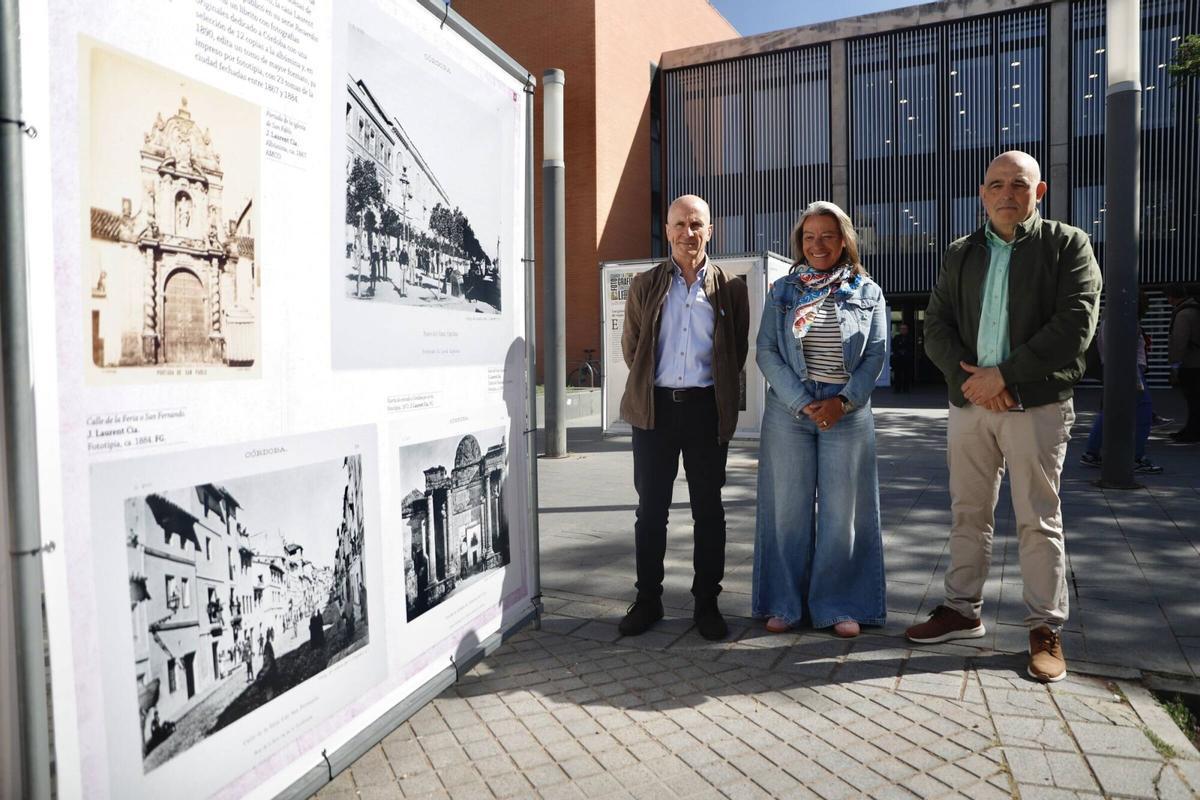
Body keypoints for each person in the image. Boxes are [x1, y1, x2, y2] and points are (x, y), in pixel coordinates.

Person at [906, 151, 1101, 683]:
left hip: (1034, 404)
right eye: (996, 185)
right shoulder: (961, 252)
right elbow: (937, 325)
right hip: (971, 404)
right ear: (983, 194)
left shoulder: (1068, 245)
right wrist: (974, 382)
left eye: (1019, 184)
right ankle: (961, 610)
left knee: (1038, 517)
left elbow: (1074, 325)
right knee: (968, 510)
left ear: (1039, 193)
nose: (1007, 194)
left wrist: (1006, 376)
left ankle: (1044, 628)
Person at [617, 194, 750, 640]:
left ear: (710, 231)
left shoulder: (731, 287)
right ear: (667, 229)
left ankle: (706, 604)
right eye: (679, 224)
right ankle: (648, 600)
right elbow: (632, 348)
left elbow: (735, 352)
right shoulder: (645, 284)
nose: (687, 233)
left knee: (708, 512)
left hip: (705, 412)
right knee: (650, 511)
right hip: (654, 411)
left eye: (696, 225)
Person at [753, 201, 888, 638]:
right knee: (787, 511)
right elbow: (767, 351)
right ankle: (785, 603)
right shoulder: (784, 291)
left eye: (827, 235)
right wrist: (799, 400)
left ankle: (840, 605)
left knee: (842, 513)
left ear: (844, 240)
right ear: (800, 242)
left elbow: (874, 357)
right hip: (789, 410)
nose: (818, 244)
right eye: (809, 237)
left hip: (846, 412)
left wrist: (842, 402)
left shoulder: (868, 292)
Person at [1079, 293, 1162, 474]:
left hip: (1117, 370)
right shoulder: (1123, 319)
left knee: (1109, 410)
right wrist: (1135, 378)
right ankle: (1136, 457)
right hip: (1129, 371)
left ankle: (1091, 452)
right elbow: (1122, 350)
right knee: (1143, 412)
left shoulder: (1110, 318)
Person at [1165, 283, 1200, 443]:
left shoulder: (1184, 314)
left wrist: (1175, 365)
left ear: (1172, 297)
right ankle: (1191, 429)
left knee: (1193, 400)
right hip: (1195, 362)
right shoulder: (1194, 309)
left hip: (1191, 364)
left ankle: (1192, 432)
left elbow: (1179, 341)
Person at [891, 322, 915, 393]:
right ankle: (897, 389)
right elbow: (894, 346)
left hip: (907, 359)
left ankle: (906, 389)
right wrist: (899, 351)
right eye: (902, 329)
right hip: (898, 359)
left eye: (905, 329)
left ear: (907, 330)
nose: (903, 330)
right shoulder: (896, 337)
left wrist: (905, 352)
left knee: (907, 374)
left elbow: (911, 347)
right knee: (897, 374)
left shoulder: (910, 337)